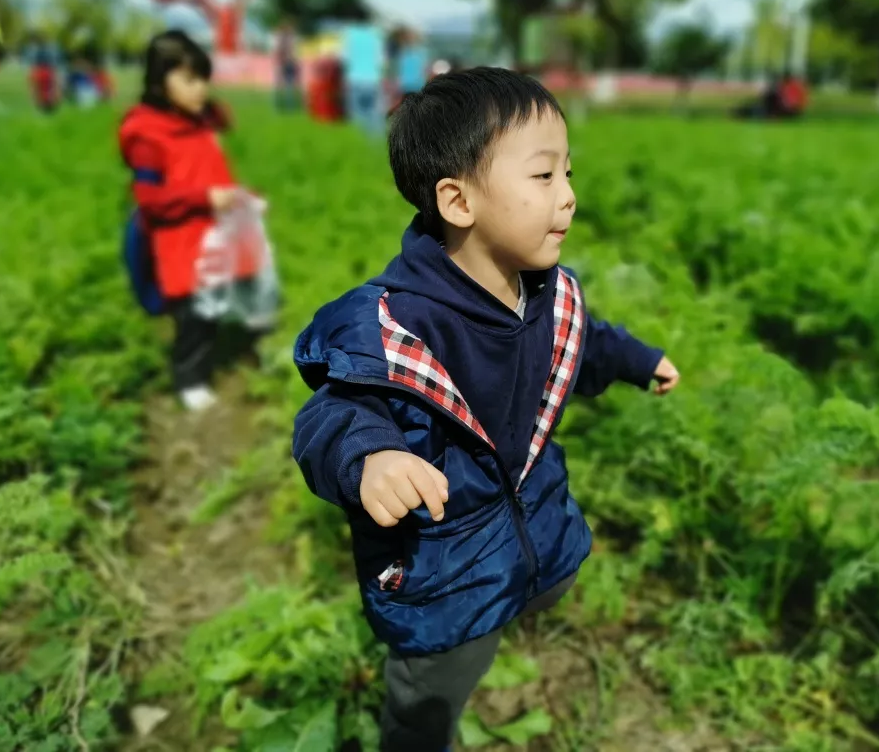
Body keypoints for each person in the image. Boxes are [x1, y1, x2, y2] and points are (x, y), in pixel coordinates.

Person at [291, 67, 680, 752]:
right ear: (458, 200)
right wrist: (371, 457)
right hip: (442, 569)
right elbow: (335, 413)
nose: (569, 198)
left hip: (519, 538)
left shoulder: (546, 294)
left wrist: (639, 360)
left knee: (508, 609)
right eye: (543, 177)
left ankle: (508, 608)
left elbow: (584, 343)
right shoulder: (396, 326)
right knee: (431, 695)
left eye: (568, 174)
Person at [119, 30, 262, 411]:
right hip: (178, 242)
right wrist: (203, 198)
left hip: (211, 235)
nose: (201, 89)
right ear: (158, 79)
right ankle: (189, 380)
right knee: (193, 318)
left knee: (211, 307)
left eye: (204, 79)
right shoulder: (148, 136)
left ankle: (201, 365)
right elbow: (149, 200)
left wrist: (237, 200)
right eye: (189, 79)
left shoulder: (195, 121)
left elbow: (215, 146)